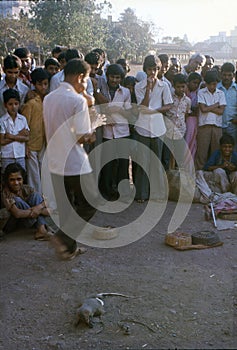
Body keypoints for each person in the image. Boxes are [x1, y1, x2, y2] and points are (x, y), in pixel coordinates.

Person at [43, 58, 97, 260]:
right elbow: (82, 136)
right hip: (75, 161)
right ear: (80, 77)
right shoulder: (77, 101)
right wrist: (91, 134)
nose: (86, 85)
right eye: (86, 80)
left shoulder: (49, 98)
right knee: (90, 203)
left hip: (55, 159)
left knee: (67, 206)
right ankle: (62, 237)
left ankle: (68, 248)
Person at [134, 54, 173, 202]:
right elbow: (142, 107)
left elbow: (169, 105)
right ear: (145, 70)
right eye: (150, 69)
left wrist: (156, 110)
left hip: (158, 127)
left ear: (159, 70)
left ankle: (157, 194)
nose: (152, 73)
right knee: (143, 161)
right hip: (143, 127)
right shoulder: (139, 86)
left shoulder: (164, 86)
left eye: (155, 69)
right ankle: (141, 194)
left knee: (157, 162)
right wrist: (149, 89)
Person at [97, 63, 132, 201]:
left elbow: (128, 112)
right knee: (108, 164)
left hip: (122, 131)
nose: (114, 80)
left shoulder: (125, 92)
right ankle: (106, 192)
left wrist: (116, 110)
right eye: (112, 77)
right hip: (107, 132)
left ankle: (123, 192)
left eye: (118, 77)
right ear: (107, 76)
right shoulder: (101, 90)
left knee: (123, 164)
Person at [1, 162, 51, 240]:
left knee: (36, 196)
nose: (16, 183)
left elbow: (48, 207)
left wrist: (38, 207)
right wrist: (38, 210)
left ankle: (41, 230)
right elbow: (17, 214)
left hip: (27, 219)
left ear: (23, 179)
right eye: (12, 180)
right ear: (7, 181)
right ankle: (41, 227)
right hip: (13, 224)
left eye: (19, 179)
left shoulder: (26, 188)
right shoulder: (6, 193)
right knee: (17, 200)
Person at [21, 68, 50, 193]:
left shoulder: (47, 100)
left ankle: (44, 198)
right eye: (40, 84)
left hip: (43, 141)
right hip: (31, 143)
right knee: (34, 175)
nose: (43, 87)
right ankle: (36, 198)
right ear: (33, 84)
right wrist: (25, 145)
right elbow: (24, 125)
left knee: (43, 170)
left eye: (45, 84)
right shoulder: (31, 103)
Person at [195, 70, 226, 170]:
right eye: (210, 84)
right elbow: (203, 110)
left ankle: (215, 175)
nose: (212, 86)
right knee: (202, 153)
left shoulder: (221, 93)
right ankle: (199, 174)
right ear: (206, 83)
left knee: (215, 153)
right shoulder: (201, 92)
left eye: (214, 84)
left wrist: (209, 107)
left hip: (217, 126)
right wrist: (216, 105)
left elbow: (221, 111)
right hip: (204, 126)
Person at [163, 73, 191, 170]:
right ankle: (166, 178)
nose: (180, 89)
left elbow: (186, 115)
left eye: (183, 87)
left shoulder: (187, 101)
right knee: (166, 157)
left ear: (186, 86)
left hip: (180, 131)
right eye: (178, 87)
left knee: (179, 157)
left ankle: (177, 178)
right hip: (167, 131)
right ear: (174, 86)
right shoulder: (169, 98)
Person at [0, 89, 29, 173]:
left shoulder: (22, 119)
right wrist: (19, 135)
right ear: (5, 105)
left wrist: (11, 136)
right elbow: (2, 141)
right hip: (7, 155)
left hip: (20, 154)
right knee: (7, 177)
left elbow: (27, 138)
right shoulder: (2, 120)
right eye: (10, 104)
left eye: (16, 104)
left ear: (19, 104)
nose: (13, 107)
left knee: (21, 176)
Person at [184, 72, 202, 172]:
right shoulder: (185, 92)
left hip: (194, 121)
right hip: (187, 121)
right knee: (187, 141)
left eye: (197, 83)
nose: (195, 85)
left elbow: (197, 109)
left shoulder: (198, 93)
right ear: (188, 82)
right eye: (194, 82)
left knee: (193, 143)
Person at [217, 62, 237, 151]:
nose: (226, 77)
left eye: (229, 75)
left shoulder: (236, 89)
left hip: (232, 125)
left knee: (233, 150)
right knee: (217, 149)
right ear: (221, 74)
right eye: (224, 75)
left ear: (233, 75)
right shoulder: (216, 88)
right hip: (218, 125)